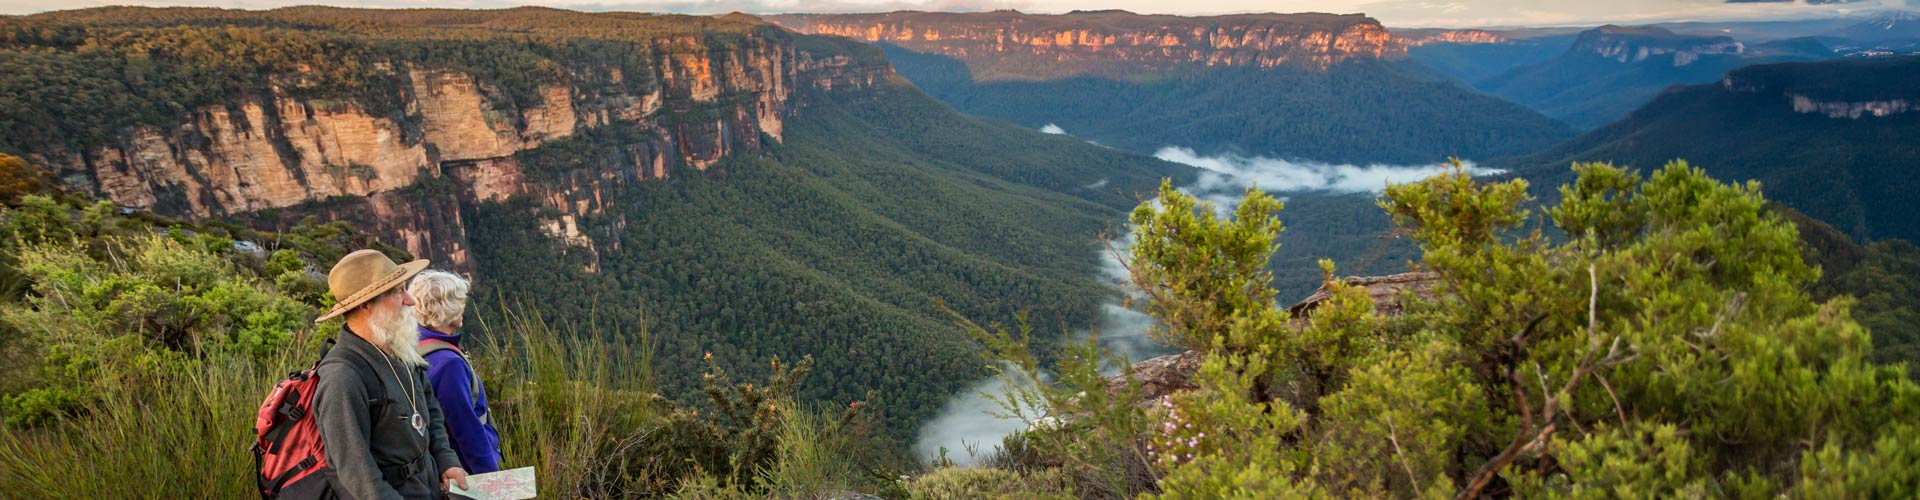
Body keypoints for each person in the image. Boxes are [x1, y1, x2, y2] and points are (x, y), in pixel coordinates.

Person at [312, 249, 469, 499]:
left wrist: (446, 460)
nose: (411, 301)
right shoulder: (343, 377)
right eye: (398, 292)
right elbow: (359, 476)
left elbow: (431, 412)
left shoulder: (398, 349)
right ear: (366, 304)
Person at [407, 270, 503, 474]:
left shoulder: (411, 345)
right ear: (445, 309)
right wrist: (491, 475)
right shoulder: (449, 364)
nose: (463, 306)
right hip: (463, 466)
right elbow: (466, 428)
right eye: (459, 301)